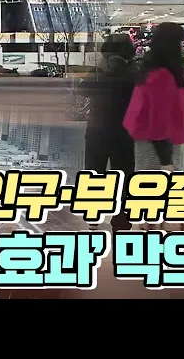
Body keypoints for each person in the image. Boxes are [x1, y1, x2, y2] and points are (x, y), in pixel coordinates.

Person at [123, 23, 184, 231]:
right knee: (156, 182)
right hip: (158, 139)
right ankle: (158, 224)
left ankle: (154, 222)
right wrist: (166, 158)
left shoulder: (152, 70)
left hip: (151, 137)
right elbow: (159, 120)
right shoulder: (163, 75)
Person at [81, 34, 137, 232]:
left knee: (94, 173)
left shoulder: (98, 70)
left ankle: (93, 216)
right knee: (124, 175)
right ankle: (121, 219)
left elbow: (83, 90)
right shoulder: (134, 71)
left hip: (96, 129)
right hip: (124, 131)